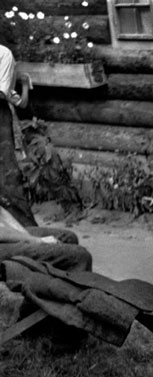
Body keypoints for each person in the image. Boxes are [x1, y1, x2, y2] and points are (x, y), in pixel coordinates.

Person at [0, 43, 36, 227]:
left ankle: (24, 227)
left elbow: (6, 94)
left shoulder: (3, 54)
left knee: (7, 176)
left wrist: (24, 86)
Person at [0, 205, 92, 272]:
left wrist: (26, 235)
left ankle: (57, 279)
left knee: (69, 237)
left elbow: (1, 212)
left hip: (5, 231)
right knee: (79, 255)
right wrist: (36, 240)